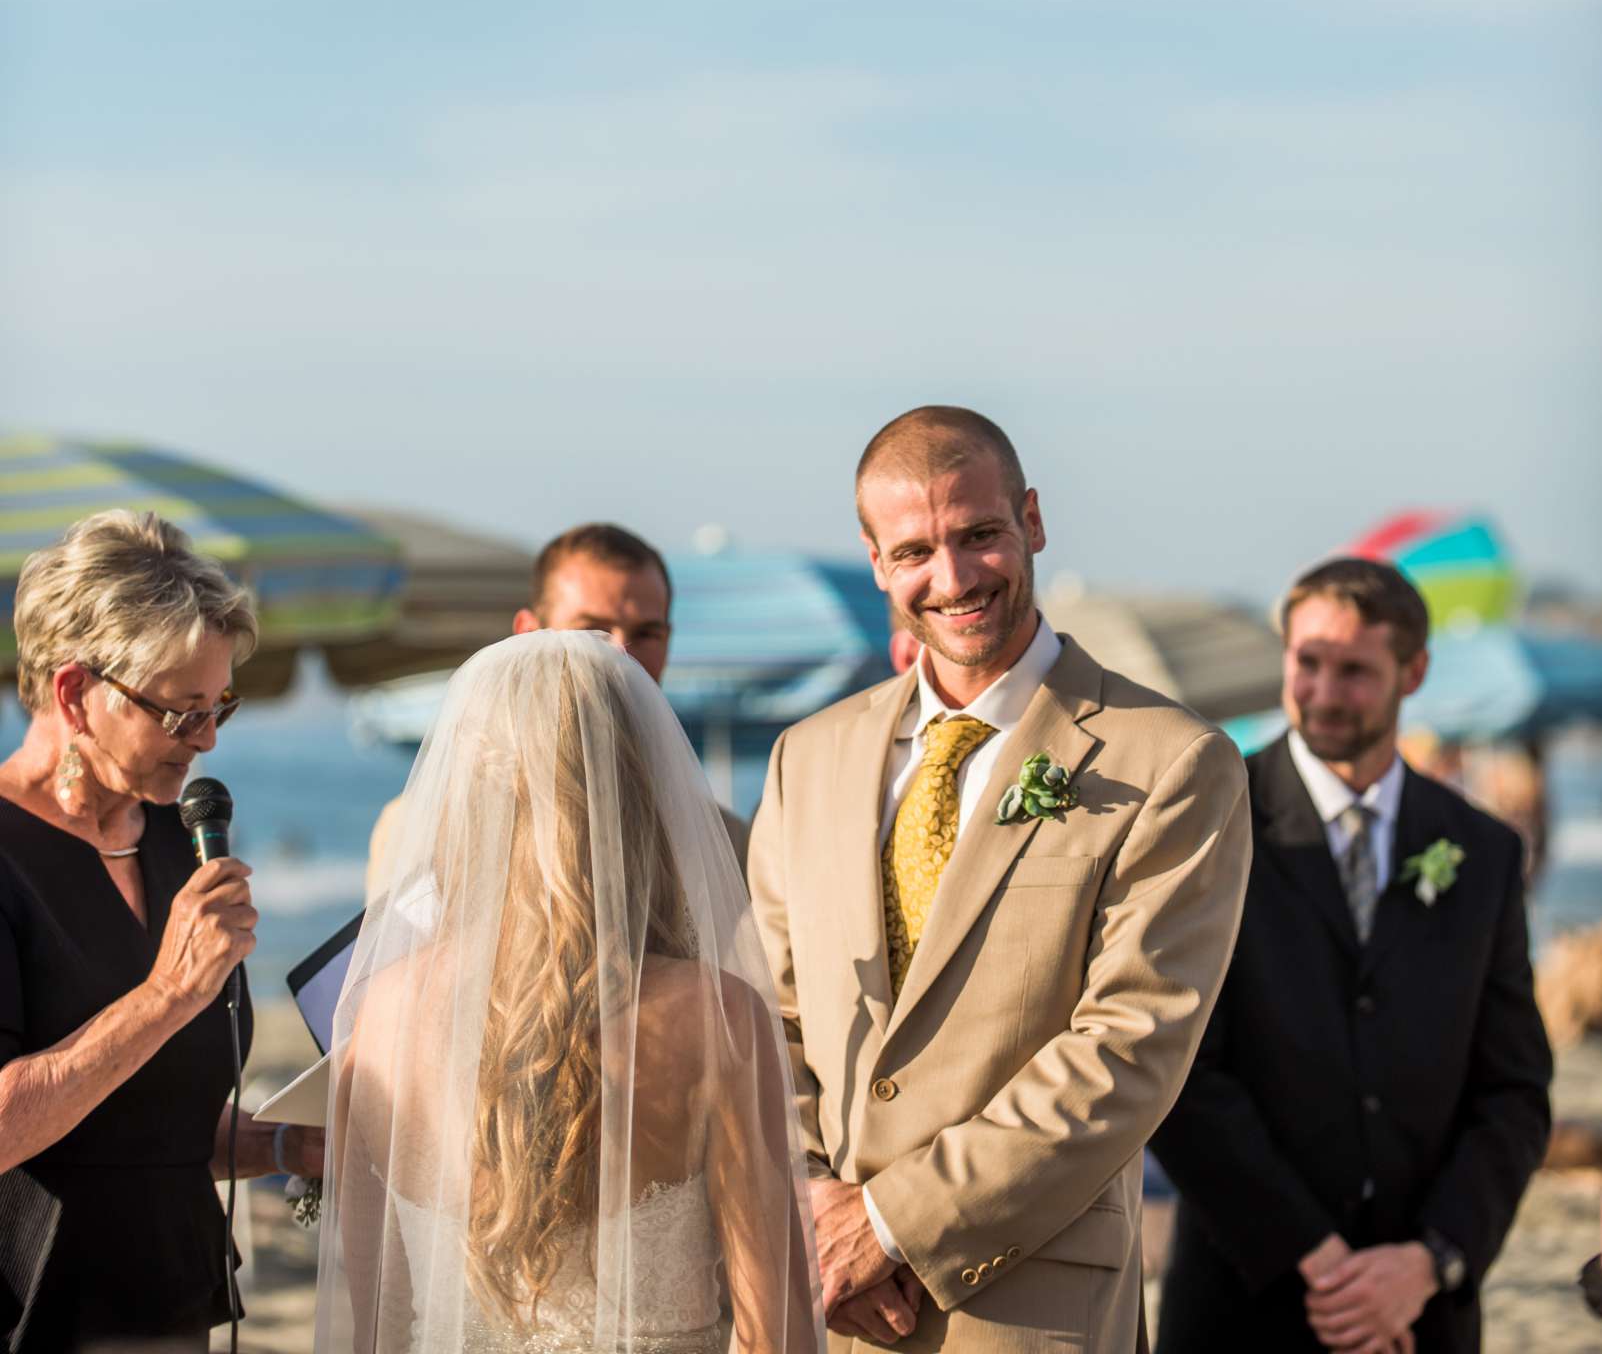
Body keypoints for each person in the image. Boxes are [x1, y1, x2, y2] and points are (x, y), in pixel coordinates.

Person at [748, 405, 1251, 1352]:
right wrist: (813, 1208)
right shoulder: (802, 759)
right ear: (874, 563)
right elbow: (768, 1016)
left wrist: (888, 1224)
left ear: (1032, 519)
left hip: (1026, 1310)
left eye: (979, 535)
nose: (953, 578)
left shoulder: (1174, 762)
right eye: (914, 552)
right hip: (812, 1301)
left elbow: (1128, 1050)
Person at [315, 629, 824, 1354]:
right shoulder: (714, 1020)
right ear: (641, 791)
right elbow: (780, 1334)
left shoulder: (377, 1015)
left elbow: (373, 1325)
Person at [1154, 556, 1553, 1354]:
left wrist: (1430, 1260)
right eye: (1308, 663)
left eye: (1355, 671)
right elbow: (1176, 1072)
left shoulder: (1482, 852)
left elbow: (1512, 1092)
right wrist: (1321, 1262)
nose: (1325, 692)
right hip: (1242, 1303)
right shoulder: (1205, 823)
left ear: (1415, 673)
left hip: (1419, 1318)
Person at [0, 509, 323, 1351]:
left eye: (221, 707)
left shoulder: (179, 837)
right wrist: (169, 993)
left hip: (175, 1310)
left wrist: (292, 1142)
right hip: (32, 1318)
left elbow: (151, 1126)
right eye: (181, 713)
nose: (208, 741)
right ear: (75, 693)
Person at [367, 521, 750, 893]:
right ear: (527, 635)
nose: (620, 655)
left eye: (647, 633)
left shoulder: (726, 841)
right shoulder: (417, 827)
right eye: (591, 631)